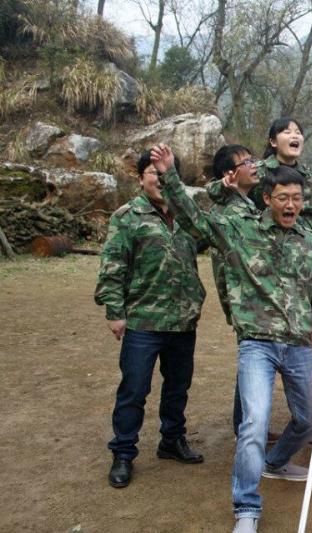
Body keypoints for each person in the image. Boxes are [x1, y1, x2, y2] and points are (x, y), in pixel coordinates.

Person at [150, 143, 312, 533]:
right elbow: (194, 220)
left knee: (308, 420)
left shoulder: (309, 239)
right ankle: (246, 506)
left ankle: (275, 462)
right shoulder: (240, 230)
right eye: (283, 198)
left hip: (297, 345)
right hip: (257, 343)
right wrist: (169, 174)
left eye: (297, 198)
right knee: (254, 423)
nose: (291, 205)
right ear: (267, 199)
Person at [95, 151, 205, 489]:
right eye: (152, 172)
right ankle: (123, 453)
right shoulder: (127, 216)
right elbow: (113, 265)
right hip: (143, 321)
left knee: (178, 387)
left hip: (183, 321)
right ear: (141, 178)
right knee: (134, 389)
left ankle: (171, 440)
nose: (159, 178)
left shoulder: (187, 217)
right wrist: (115, 311)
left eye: (165, 172)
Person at [205, 146, 280, 443]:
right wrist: (233, 308)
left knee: (255, 363)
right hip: (245, 303)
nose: (254, 166)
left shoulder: (247, 204)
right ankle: (245, 427)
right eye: (247, 162)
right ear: (230, 174)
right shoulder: (228, 211)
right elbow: (225, 270)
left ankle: (247, 424)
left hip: (255, 299)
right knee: (254, 363)